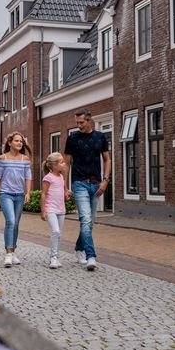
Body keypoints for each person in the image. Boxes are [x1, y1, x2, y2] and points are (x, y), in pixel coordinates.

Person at [63, 109, 110, 271]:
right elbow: (66, 163)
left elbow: (107, 159)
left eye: (81, 122)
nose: (78, 125)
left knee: (90, 222)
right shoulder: (72, 138)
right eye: (77, 123)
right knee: (85, 218)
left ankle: (78, 248)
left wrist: (105, 180)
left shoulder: (100, 137)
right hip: (79, 184)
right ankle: (91, 256)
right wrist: (65, 186)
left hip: (96, 184)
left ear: (89, 121)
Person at [0, 131, 33, 268]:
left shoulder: (25, 160)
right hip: (5, 194)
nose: (19, 143)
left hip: (19, 195)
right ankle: (8, 253)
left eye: (21, 141)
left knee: (16, 224)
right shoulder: (2, 159)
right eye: (16, 141)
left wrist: (28, 193)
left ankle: (13, 251)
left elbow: (28, 178)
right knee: (11, 221)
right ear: (10, 143)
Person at [40, 151, 68, 269]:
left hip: (61, 209)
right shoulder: (48, 178)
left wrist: (67, 193)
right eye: (61, 162)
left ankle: (56, 257)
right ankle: (53, 258)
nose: (64, 164)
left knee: (59, 234)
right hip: (50, 209)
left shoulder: (61, 177)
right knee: (55, 231)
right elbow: (43, 194)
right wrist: (43, 210)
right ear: (55, 165)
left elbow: (63, 191)